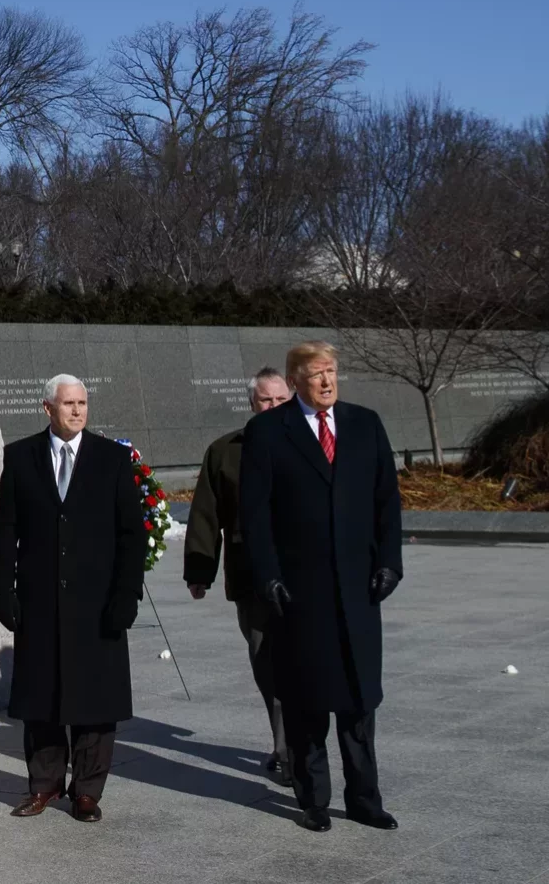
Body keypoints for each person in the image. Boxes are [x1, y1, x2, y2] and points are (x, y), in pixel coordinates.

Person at [240, 341, 404, 833]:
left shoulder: (364, 424)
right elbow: (256, 512)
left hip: (357, 588)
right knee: (307, 698)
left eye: (332, 371)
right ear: (295, 382)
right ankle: (313, 798)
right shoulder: (268, 430)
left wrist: (390, 562)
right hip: (299, 591)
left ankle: (364, 799)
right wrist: (267, 574)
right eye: (316, 374)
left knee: (358, 699)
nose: (327, 381)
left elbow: (386, 501)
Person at [0, 374, 145, 822]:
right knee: (43, 699)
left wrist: (126, 595)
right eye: (68, 404)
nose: (77, 411)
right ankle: (44, 786)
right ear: (47, 408)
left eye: (82, 403)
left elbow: (131, 534)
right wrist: (4, 590)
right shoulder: (20, 458)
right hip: (40, 604)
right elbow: (6, 530)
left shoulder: (112, 459)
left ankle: (87, 792)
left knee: (95, 702)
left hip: (98, 605)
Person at [185, 365, 297, 783]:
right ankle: (285, 747)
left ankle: (300, 747)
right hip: (251, 576)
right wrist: (200, 569)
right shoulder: (225, 451)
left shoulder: (311, 443)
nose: (272, 406)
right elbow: (205, 512)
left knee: (302, 664)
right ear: (252, 404)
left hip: (304, 575)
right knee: (266, 661)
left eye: (280, 399)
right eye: (265, 400)